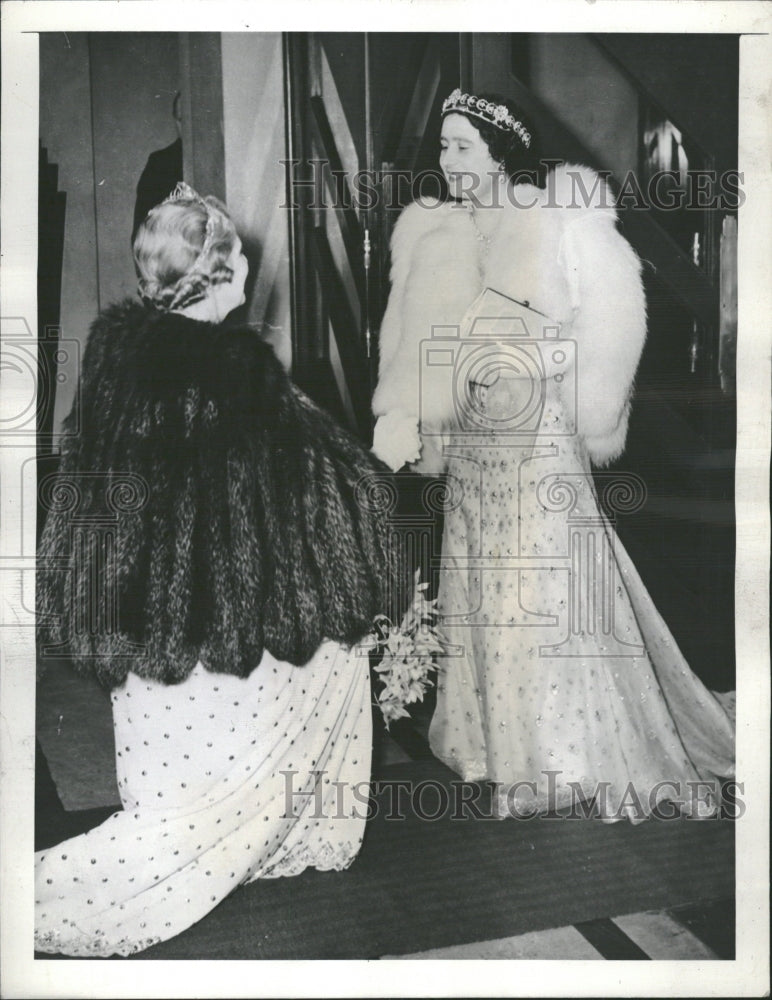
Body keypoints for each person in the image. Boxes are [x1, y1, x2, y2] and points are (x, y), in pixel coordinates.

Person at [34, 183, 415, 957]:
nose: (248, 266)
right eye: (237, 256)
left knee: (169, 796)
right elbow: (315, 478)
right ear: (212, 272)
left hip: (145, 622)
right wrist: (382, 479)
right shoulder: (230, 370)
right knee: (322, 667)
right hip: (217, 620)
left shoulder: (118, 360)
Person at [372, 89, 735, 821]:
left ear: (502, 153)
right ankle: (499, 746)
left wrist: (520, 360)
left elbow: (603, 331)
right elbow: (412, 344)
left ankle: (560, 753)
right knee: (482, 587)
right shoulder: (432, 230)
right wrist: (407, 411)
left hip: (535, 439)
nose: (447, 162)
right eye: (442, 147)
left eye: (462, 147)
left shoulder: (554, 218)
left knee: (547, 593)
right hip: (475, 448)